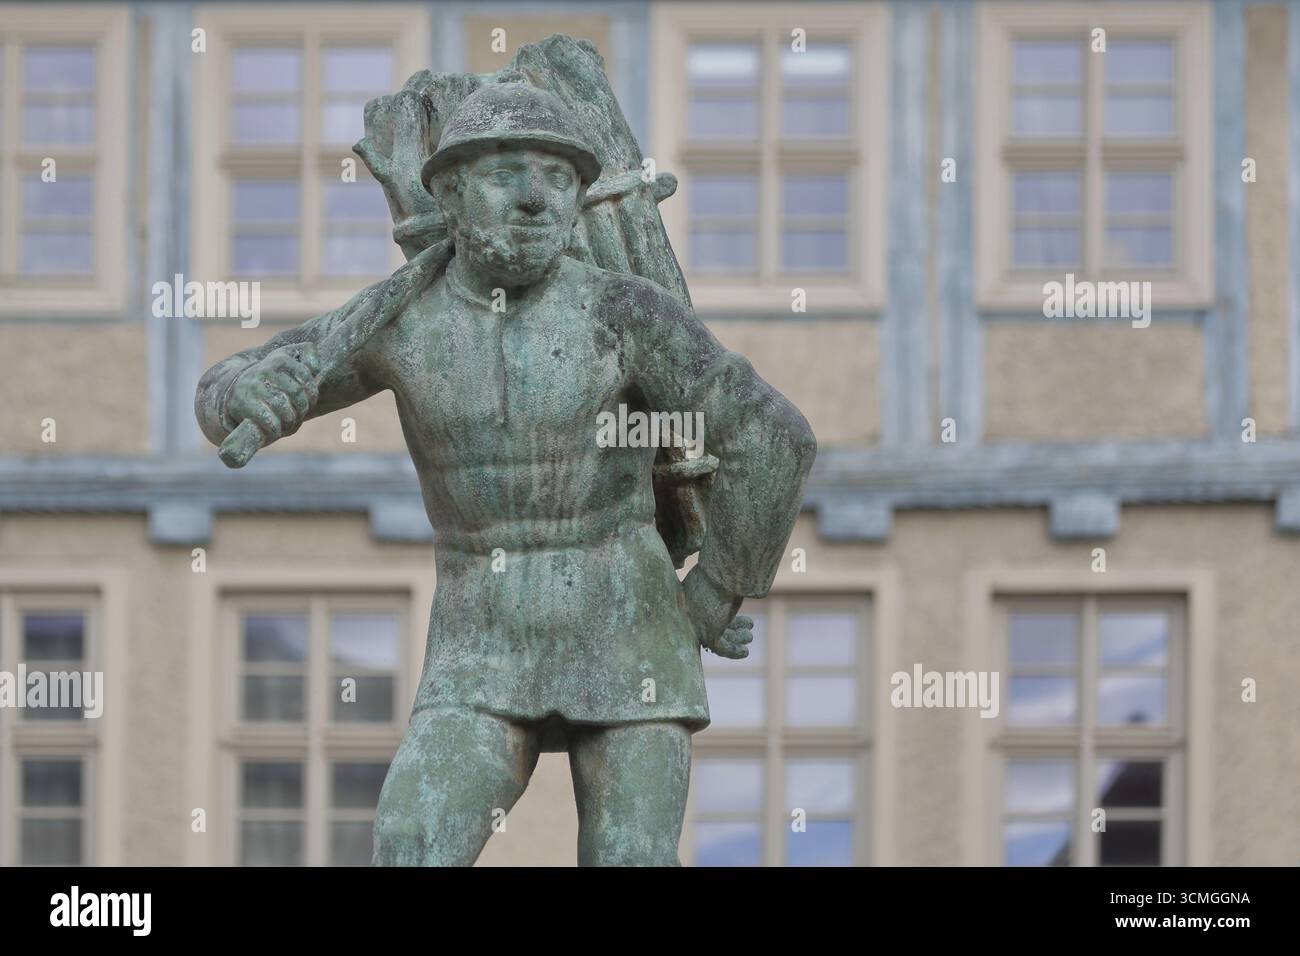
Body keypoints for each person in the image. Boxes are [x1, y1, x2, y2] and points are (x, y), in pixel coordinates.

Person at [195, 82, 816, 866]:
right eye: (506, 174)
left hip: (629, 634)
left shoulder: (624, 314)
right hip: (479, 641)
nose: (534, 199)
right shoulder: (400, 322)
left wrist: (716, 587)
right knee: (412, 844)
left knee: (630, 857)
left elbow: (774, 435)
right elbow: (227, 385)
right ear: (449, 192)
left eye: (558, 178)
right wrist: (246, 391)